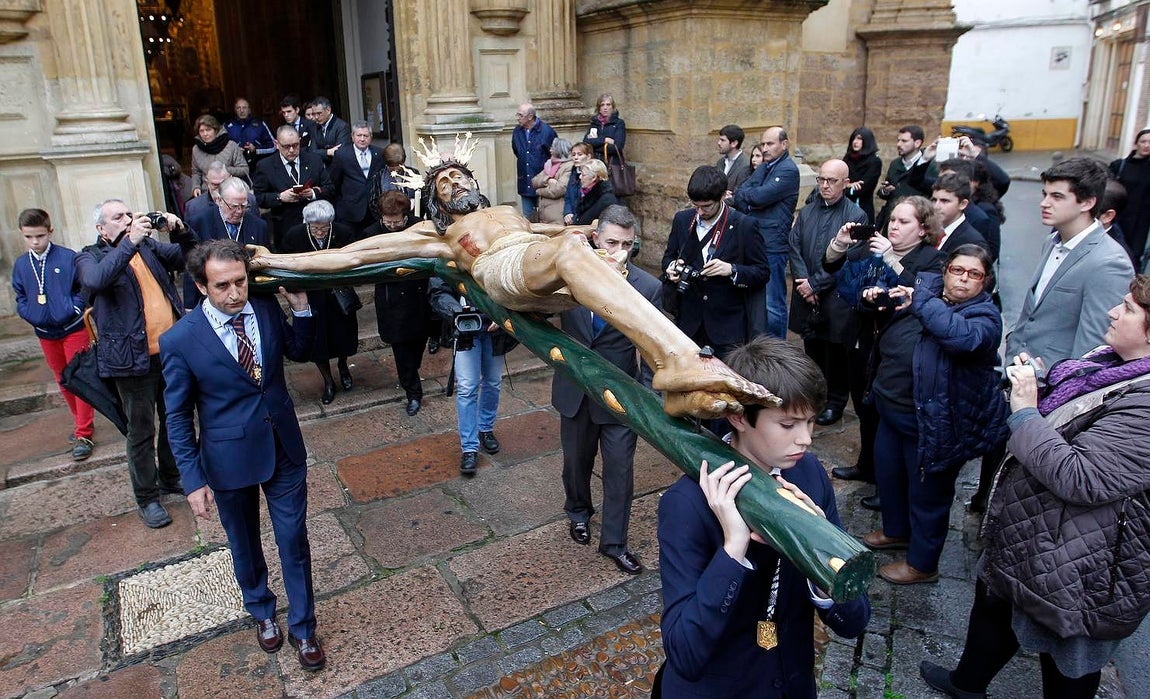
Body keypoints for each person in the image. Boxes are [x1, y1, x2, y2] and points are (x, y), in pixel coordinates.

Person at [248, 146, 775, 420]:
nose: (454, 184)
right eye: (443, 182)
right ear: (433, 199)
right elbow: (349, 255)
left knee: (603, 269)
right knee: (575, 254)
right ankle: (681, 364)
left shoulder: (503, 208)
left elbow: (552, 228)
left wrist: (587, 229)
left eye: (460, 177)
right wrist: (276, 259)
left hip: (536, 255)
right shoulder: (439, 234)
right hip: (502, 269)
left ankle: (679, 368)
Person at [919, 274, 1150, 699]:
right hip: (1036, 531)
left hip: (1082, 559)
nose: (1114, 312)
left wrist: (1025, 411)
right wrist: (1041, 386)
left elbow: (1082, 477)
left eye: (1130, 310)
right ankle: (966, 683)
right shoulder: (1109, 362)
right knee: (996, 604)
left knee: (1067, 657)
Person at [656, 336, 870, 698]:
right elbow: (685, 653)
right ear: (738, 417)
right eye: (787, 425)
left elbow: (854, 621)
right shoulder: (687, 502)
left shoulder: (809, 474)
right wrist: (732, 550)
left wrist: (818, 542)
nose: (805, 439)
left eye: (811, 422)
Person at [160, 239, 325, 672]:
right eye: (222, 286)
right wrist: (192, 479)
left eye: (240, 281)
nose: (235, 293)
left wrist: (302, 310)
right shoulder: (180, 340)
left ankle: (304, 627)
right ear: (201, 287)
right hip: (227, 456)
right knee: (245, 543)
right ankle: (263, 611)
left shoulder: (267, 310)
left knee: (293, 539)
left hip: (283, 445)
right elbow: (177, 416)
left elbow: (300, 351)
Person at [969, 157, 1134, 512]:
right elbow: (1034, 311)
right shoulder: (1053, 242)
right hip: (1023, 379)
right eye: (1045, 194)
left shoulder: (1108, 261)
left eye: (1057, 196)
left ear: (1088, 202)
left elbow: (1095, 349)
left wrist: (1051, 382)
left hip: (1052, 397)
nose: (1044, 202)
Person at [857, 244, 1007, 584]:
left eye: (974, 274)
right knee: (890, 478)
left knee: (929, 497)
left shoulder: (983, 317)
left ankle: (923, 564)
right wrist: (877, 301)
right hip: (892, 410)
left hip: (934, 425)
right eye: (957, 271)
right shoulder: (924, 292)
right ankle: (897, 531)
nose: (963, 280)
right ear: (946, 271)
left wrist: (922, 299)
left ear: (985, 282)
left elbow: (959, 337)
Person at [554, 205, 659, 576]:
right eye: (611, 241)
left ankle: (615, 542)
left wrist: (647, 397)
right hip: (574, 390)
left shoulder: (648, 287)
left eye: (626, 244)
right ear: (595, 237)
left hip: (621, 397)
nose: (617, 251)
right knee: (575, 463)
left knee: (619, 472)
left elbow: (653, 347)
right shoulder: (566, 276)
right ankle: (578, 512)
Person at [826, 196, 946, 512]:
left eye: (903, 222)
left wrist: (892, 258)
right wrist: (839, 245)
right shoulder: (872, 250)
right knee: (864, 410)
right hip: (862, 339)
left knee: (885, 418)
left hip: (896, 351)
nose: (894, 226)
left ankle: (887, 484)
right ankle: (867, 466)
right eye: (892, 219)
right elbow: (832, 268)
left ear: (923, 230)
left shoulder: (930, 259)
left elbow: (922, 294)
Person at [75, 200, 186, 528]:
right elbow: (95, 282)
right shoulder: (88, 256)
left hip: (169, 352)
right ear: (101, 229)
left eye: (128, 213)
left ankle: (170, 476)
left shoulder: (147, 247)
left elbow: (188, 257)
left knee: (174, 419)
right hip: (130, 362)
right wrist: (131, 241)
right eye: (117, 217)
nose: (127, 219)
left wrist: (180, 230)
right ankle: (147, 497)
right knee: (140, 430)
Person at [787, 159, 867, 427]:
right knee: (813, 349)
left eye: (831, 181)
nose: (824, 185)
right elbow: (794, 246)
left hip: (835, 297)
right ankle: (817, 396)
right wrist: (803, 281)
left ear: (845, 183)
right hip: (806, 293)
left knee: (836, 353)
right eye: (821, 179)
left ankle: (835, 401)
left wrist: (816, 284)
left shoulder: (855, 216)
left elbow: (849, 259)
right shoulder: (808, 211)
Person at [12, 208, 95, 461]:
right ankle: (79, 421)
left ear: (50, 231)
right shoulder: (22, 264)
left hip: (72, 328)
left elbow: (83, 287)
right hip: (45, 332)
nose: (35, 242)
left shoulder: (67, 257)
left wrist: (75, 307)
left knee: (79, 377)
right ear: (22, 235)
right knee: (62, 379)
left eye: (39, 236)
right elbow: (20, 295)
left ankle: (84, 432)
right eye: (29, 237)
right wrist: (29, 312)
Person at [662, 165, 769, 360]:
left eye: (707, 206)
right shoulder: (682, 220)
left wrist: (732, 269)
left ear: (722, 197)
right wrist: (671, 269)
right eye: (696, 206)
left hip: (727, 328)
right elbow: (668, 257)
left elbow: (762, 272)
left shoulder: (743, 225)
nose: (700, 212)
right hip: (689, 324)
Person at [427, 276, 512, 474]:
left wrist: (501, 315)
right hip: (466, 328)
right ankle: (469, 447)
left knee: (493, 382)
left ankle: (485, 429)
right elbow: (438, 290)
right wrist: (457, 312)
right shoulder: (451, 251)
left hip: (494, 330)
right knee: (467, 387)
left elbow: (512, 287)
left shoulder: (496, 247)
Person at [280, 201, 359, 405]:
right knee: (317, 342)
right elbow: (287, 263)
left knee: (343, 337)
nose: (320, 232)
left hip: (337, 296)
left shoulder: (343, 233)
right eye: (315, 228)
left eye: (323, 227)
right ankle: (328, 381)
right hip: (312, 297)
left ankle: (343, 366)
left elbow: (354, 260)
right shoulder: (295, 235)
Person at [732, 126, 800, 339]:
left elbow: (759, 196)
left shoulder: (787, 170)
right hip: (756, 239)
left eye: (770, 143)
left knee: (773, 303)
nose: (765, 148)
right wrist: (750, 196)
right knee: (755, 298)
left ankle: (777, 350)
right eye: (763, 144)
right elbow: (741, 191)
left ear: (784, 144)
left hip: (773, 243)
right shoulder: (766, 166)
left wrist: (750, 197)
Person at [367, 190, 431, 416]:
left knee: (418, 344)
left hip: (419, 297)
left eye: (397, 221)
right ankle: (413, 393)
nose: (393, 226)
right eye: (388, 221)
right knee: (402, 350)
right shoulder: (372, 234)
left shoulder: (420, 227)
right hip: (391, 300)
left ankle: (412, 374)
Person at [185, 177, 271, 309]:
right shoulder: (199, 222)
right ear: (219, 200)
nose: (239, 211)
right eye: (234, 206)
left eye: (244, 206)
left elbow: (265, 265)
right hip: (213, 300)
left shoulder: (259, 226)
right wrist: (190, 305)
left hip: (251, 299)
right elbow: (191, 266)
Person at [252, 124, 332, 250]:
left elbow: (330, 187)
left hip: (315, 228)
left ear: (300, 141)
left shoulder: (314, 160)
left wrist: (313, 193)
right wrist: (279, 197)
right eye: (286, 146)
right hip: (285, 226)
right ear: (277, 144)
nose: (291, 150)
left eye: (295, 145)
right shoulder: (265, 166)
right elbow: (258, 198)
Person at [330, 121, 390, 232]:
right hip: (351, 212)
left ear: (371, 137)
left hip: (374, 211)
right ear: (352, 137)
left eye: (366, 136)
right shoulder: (342, 155)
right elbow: (335, 182)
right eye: (359, 135)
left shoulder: (379, 153)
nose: (362, 139)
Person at [1108, 129, 1150, 270]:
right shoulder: (1119, 166)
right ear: (1136, 143)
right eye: (1143, 141)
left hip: (1142, 225)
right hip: (1119, 219)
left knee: (1135, 260)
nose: (1147, 145)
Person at [511, 103, 557, 218]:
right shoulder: (517, 131)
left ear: (530, 116)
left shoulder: (547, 131)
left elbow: (555, 155)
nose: (517, 118)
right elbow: (517, 151)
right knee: (528, 218)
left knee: (545, 218)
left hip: (543, 183)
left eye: (520, 115)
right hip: (525, 180)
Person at [875, 125, 924, 231]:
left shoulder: (926, 164)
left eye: (904, 141)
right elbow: (886, 190)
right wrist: (885, 191)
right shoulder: (895, 164)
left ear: (917, 143)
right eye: (898, 140)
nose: (899, 144)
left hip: (915, 221)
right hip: (893, 219)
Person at [931, 172, 990, 256]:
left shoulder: (972, 241)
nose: (936, 206)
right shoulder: (928, 231)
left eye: (945, 201)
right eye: (934, 200)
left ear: (963, 204)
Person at [190, 115, 248, 198]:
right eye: (201, 131)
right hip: (207, 193)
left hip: (230, 192)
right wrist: (196, 187)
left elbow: (244, 169)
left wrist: (226, 170)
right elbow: (196, 172)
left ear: (216, 130)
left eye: (208, 130)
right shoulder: (196, 149)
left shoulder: (231, 146)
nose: (205, 134)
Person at [529, 137, 574, 224]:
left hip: (557, 215)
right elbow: (534, 181)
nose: (550, 150)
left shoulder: (569, 166)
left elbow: (558, 190)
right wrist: (548, 180)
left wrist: (538, 191)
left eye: (552, 147)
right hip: (543, 215)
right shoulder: (549, 164)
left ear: (559, 149)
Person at [842, 126, 882, 224]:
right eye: (854, 138)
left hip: (861, 208)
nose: (855, 142)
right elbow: (839, 181)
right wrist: (848, 185)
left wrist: (846, 187)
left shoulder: (874, 161)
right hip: (844, 208)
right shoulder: (848, 158)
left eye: (859, 139)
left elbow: (862, 188)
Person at [224, 97, 276, 164]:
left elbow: (273, 146)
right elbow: (220, 147)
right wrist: (234, 151)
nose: (241, 110)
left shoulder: (260, 124)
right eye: (238, 108)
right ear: (235, 110)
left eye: (244, 107)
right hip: (235, 167)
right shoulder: (227, 126)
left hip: (257, 167)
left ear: (249, 110)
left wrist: (256, 149)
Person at [583, 93, 626, 166]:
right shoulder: (594, 123)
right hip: (595, 162)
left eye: (608, 104)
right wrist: (605, 140)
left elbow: (617, 147)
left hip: (612, 163)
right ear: (599, 108)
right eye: (602, 105)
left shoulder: (619, 123)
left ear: (612, 107)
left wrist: (595, 144)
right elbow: (586, 142)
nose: (605, 108)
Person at [308, 96, 352, 166]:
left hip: (338, 170)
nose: (316, 117)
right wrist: (328, 152)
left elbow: (340, 153)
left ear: (328, 110)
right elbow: (311, 153)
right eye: (314, 114)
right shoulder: (314, 127)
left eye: (319, 113)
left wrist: (320, 152)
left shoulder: (342, 126)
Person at [573, 159, 618, 226]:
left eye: (583, 175)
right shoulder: (587, 194)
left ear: (593, 177)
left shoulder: (607, 201)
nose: (580, 177)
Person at [715, 124, 754, 198]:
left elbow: (739, 196)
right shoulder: (720, 162)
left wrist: (720, 198)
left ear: (734, 143)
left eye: (722, 140)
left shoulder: (745, 165)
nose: (719, 143)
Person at [562, 142, 595, 225]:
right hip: (573, 218)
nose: (576, 158)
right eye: (573, 155)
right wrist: (567, 213)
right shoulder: (573, 172)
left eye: (580, 154)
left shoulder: (593, 174)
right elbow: (568, 197)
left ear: (588, 156)